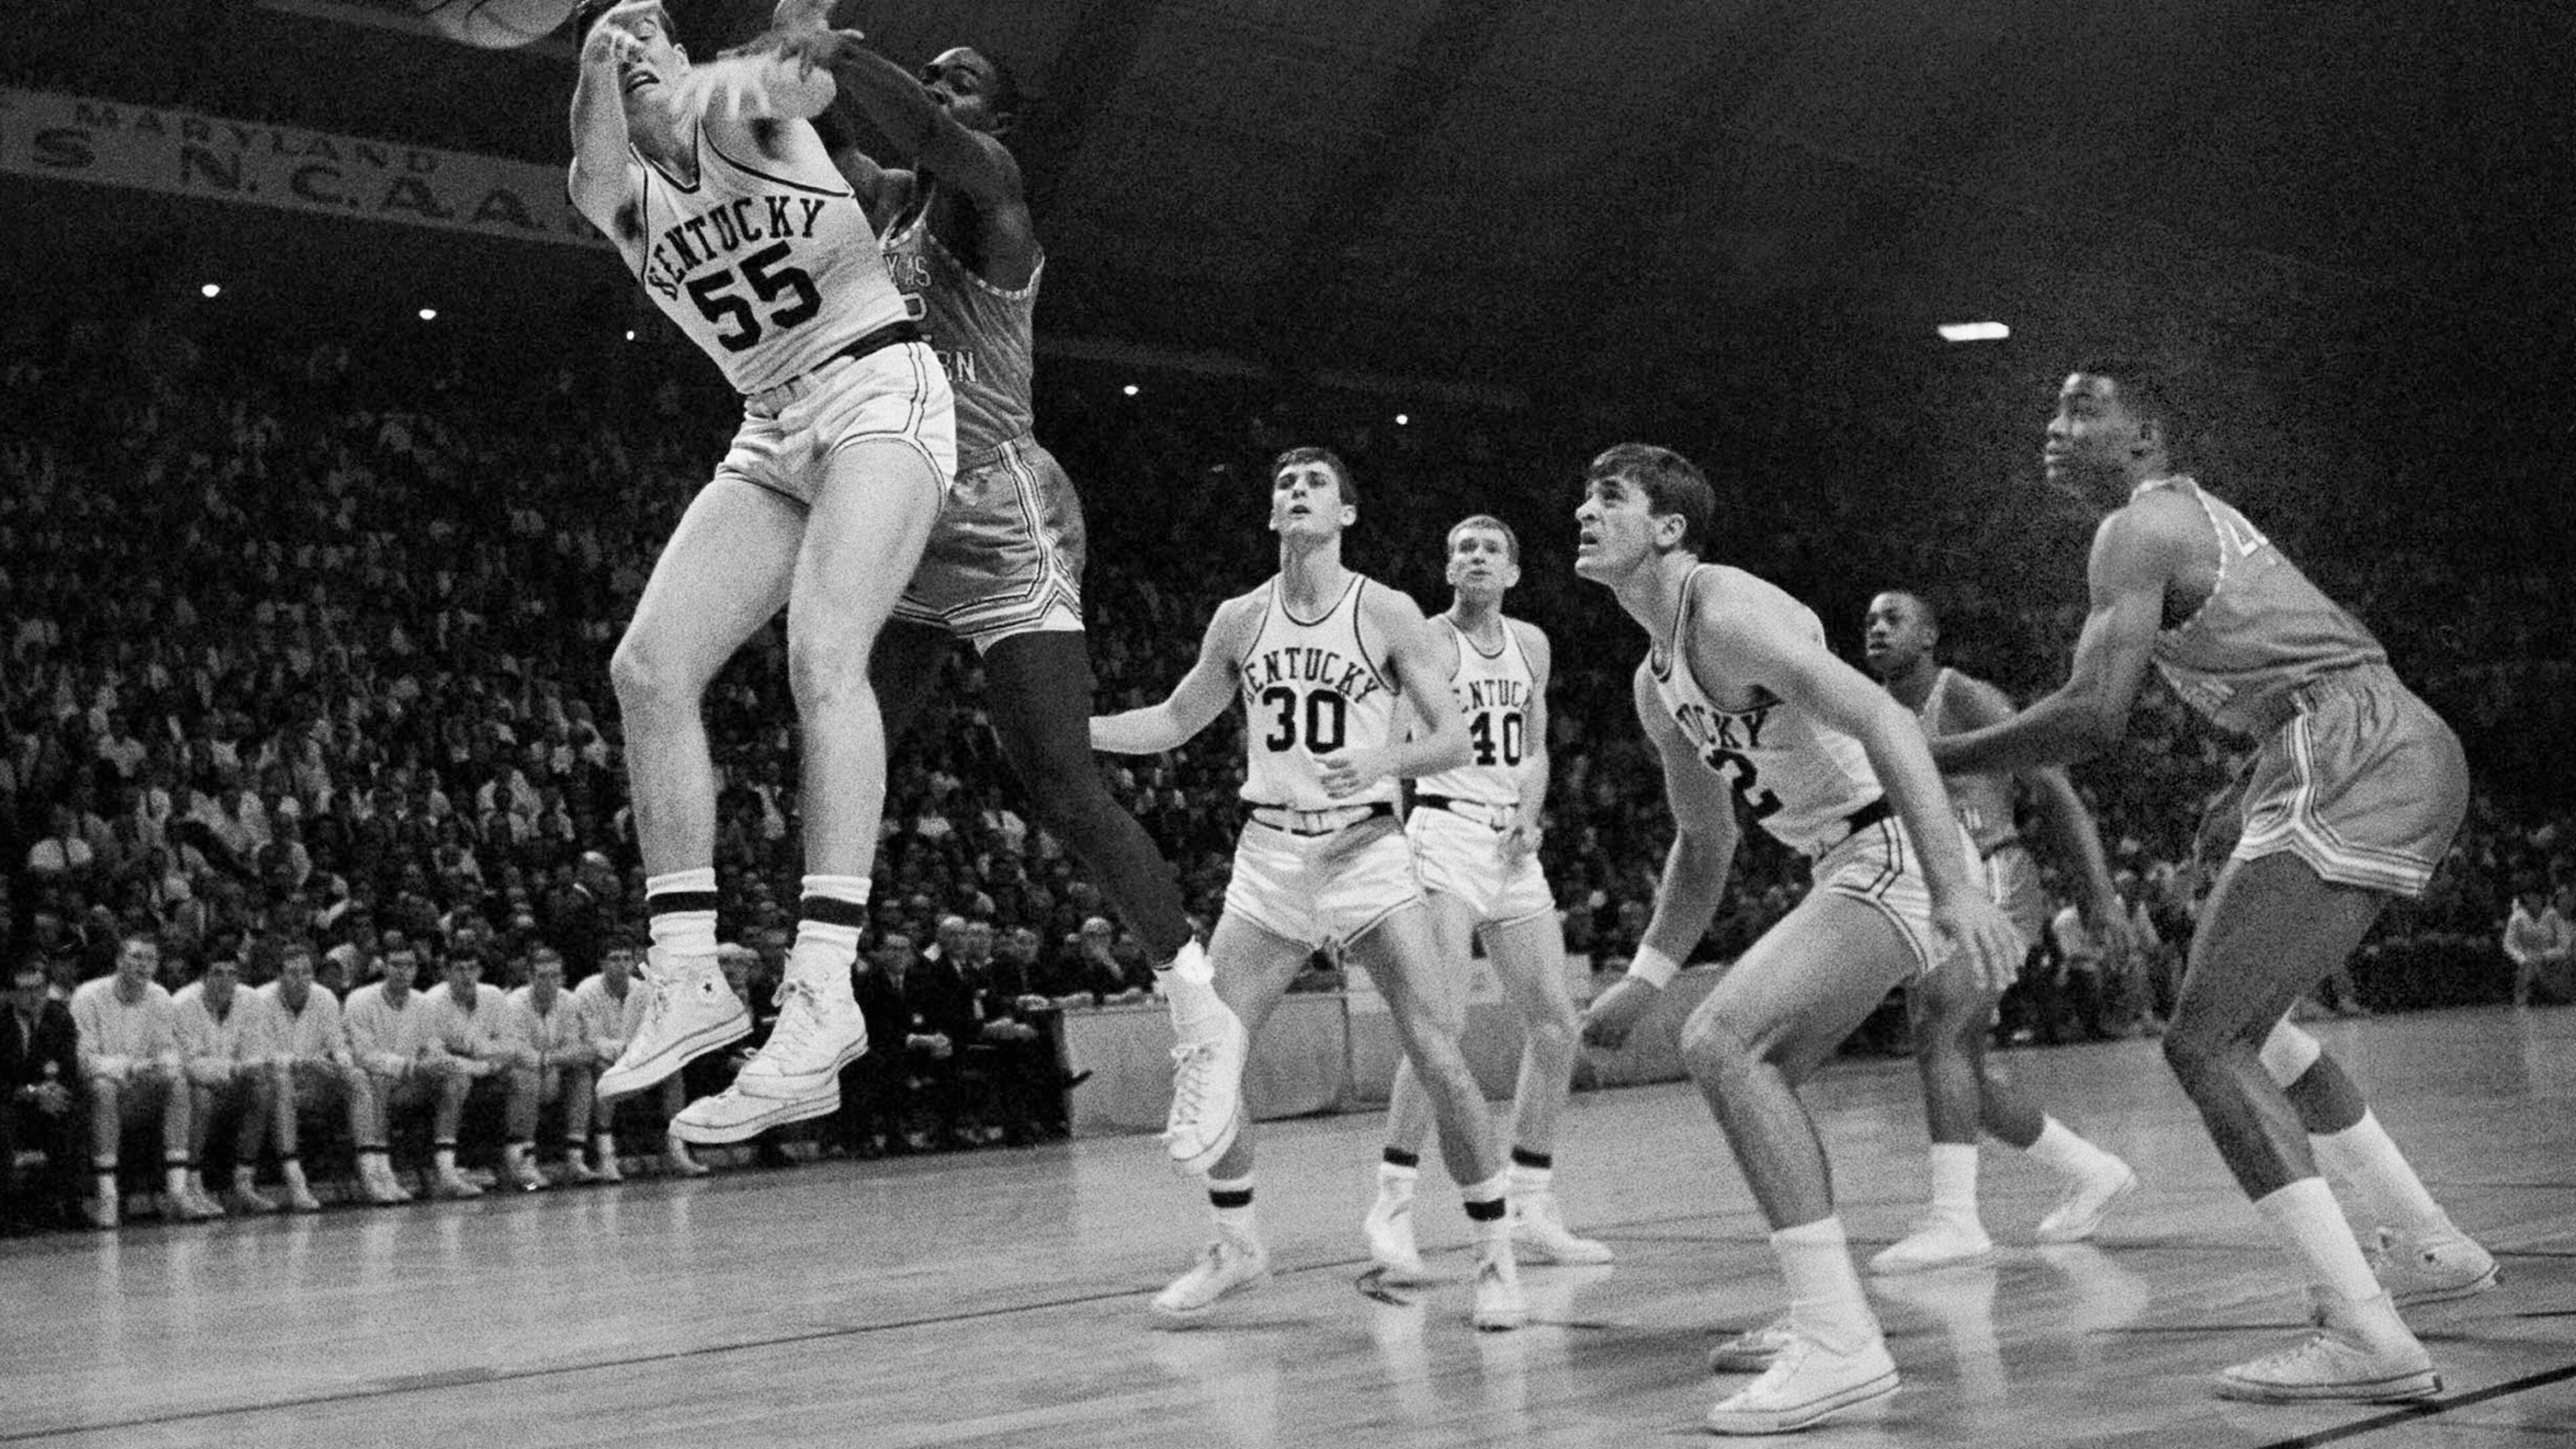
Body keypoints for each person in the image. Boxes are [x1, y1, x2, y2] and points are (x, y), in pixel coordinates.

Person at [1927, 360, 2496, 1403]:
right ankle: (2428, 1239)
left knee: (2205, 1042)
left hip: (2349, 746)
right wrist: (2246, 786)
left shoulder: (2137, 527)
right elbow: (2284, 662)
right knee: (2258, 1030)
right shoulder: (2182, 519)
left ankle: (2365, 1332)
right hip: (2363, 739)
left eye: (2082, 409)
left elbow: (2093, 716)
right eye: (2054, 407)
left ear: (2145, 437)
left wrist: (1930, 759)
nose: (2055, 426)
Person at [747, 11, 1241, 1127]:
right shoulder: (885, 203)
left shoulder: (994, 194)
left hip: (999, 509)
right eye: (933, 73)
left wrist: (842, 53)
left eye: (962, 80)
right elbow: (819, 140)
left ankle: (1198, 1009)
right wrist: (765, 54)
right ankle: (818, 996)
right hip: (899, 502)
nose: (940, 86)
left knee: (1060, 785)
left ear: (998, 121)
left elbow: (920, 131)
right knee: (841, 742)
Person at [564, 0, 958, 1146]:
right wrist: (596, 59)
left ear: (686, 54)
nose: (633, 45)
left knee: (824, 655)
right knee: (647, 670)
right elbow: (593, 163)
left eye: (651, 32)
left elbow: (810, 84)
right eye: (615, 39)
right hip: (771, 424)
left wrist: (778, 44)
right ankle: (689, 973)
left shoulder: (745, 115)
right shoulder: (618, 192)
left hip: (878, 386)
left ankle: (824, 989)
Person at [1570, 444, 2023, 1434]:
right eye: (1585, 498)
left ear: (1670, 529)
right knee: (1757, 1068)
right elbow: (1706, 842)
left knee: (1723, 1043)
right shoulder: (1656, 681)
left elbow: (1885, 721)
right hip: (1847, 861)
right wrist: (1645, 978)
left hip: (1895, 847)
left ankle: (1840, 1344)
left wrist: (1955, 887)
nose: (1584, 512)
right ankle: (1830, 1312)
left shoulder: (1726, 611)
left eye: (1610, 498)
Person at [1092, 447, 1525, 1330]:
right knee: (1213, 1053)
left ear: (1346, 514)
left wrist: (1383, 759)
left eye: (1315, 484)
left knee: (1438, 1053)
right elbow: (1176, 719)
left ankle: (1495, 1255)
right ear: (1271, 515)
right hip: (1271, 859)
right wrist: (1074, 733)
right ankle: (1236, 1245)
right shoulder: (1240, 618)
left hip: (1365, 851)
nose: (1296, 492)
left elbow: (1453, 740)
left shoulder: (1386, 610)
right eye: (1285, 485)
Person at [1858, 589, 2140, 1271]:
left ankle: (1956, 1221)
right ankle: (2094, 1171)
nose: (1876, 628)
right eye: (1869, 621)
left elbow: (2058, 794)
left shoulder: (1964, 697)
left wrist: (2100, 896)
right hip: (1932, 891)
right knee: (1956, 1068)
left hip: (1995, 873)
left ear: (1930, 635)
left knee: (1943, 1032)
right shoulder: (1869, 711)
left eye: (1893, 619)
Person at [1362, 515, 1609, 1281]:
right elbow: (1391, 746)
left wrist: (1531, 818)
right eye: (1462, 548)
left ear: (1513, 572)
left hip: (1510, 843)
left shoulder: (1532, 644)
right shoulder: (1427, 641)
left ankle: (1532, 1200)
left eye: (1490, 548)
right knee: (1440, 1025)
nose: (1475, 556)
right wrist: (1388, 836)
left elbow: (1535, 750)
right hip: (1443, 831)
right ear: (1448, 570)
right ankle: (1392, 1201)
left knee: (1557, 1025)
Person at [257, 941, 407, 1208]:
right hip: (274, 1084)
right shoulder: (260, 1001)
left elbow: (339, 1045)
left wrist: (341, 1064)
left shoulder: (324, 997)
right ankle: (295, 1180)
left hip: (318, 1081)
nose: (301, 979)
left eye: (306, 972)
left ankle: (370, 1173)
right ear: (279, 976)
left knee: (358, 1077)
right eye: (293, 973)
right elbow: (260, 1056)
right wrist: (303, 1062)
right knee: (281, 1082)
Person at [72, 936, 210, 1226]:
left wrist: (163, 1064)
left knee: (177, 1081)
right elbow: (83, 1061)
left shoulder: (160, 996)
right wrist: (131, 1068)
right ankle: (107, 1196)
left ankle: (177, 1191)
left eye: (150, 959)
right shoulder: (88, 996)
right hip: (95, 1091)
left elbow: (168, 1049)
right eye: (136, 957)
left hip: (140, 1089)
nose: (143, 965)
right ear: (119, 961)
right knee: (103, 1087)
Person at [172, 955, 281, 1215]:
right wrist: (232, 1070)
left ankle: (244, 1183)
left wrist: (245, 1069)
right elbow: (188, 1063)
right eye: (218, 973)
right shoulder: (182, 1003)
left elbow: (256, 1051)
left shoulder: (251, 999)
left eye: (232, 973)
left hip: (235, 1081)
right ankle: (192, 1185)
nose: (225, 980)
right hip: (195, 1084)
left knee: (264, 1088)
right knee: (200, 1097)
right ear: (203, 977)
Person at [496, 945, 601, 1189]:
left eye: (555, 976)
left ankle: (576, 1160)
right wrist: (552, 1061)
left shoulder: (570, 1001)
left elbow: (580, 1050)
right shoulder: (514, 1004)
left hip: (551, 1069)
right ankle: (524, 1162)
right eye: (542, 976)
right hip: (512, 1073)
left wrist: (549, 1061)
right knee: (527, 1076)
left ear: (563, 978)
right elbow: (519, 1054)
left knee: (583, 1075)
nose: (549, 983)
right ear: (530, 977)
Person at [3, 958, 81, 1232]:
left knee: (69, 1112)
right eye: (25, 990)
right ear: (11, 995)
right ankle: (10, 1211)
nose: (34, 996)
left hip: (46, 1099)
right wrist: (32, 1092)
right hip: (10, 1101)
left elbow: (69, 1069)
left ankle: (67, 1206)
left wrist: (54, 1092)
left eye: (40, 988)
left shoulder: (60, 1019)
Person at [2502, 876, 2571, 1008]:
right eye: (2530, 895)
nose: (2534, 899)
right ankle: (2524, 998)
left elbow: (2564, 945)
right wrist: (2522, 958)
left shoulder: (2553, 916)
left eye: (2537, 895)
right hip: (2524, 961)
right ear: (2525, 897)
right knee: (2529, 966)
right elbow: (2508, 944)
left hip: (2550, 961)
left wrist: (2545, 955)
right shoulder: (2517, 917)